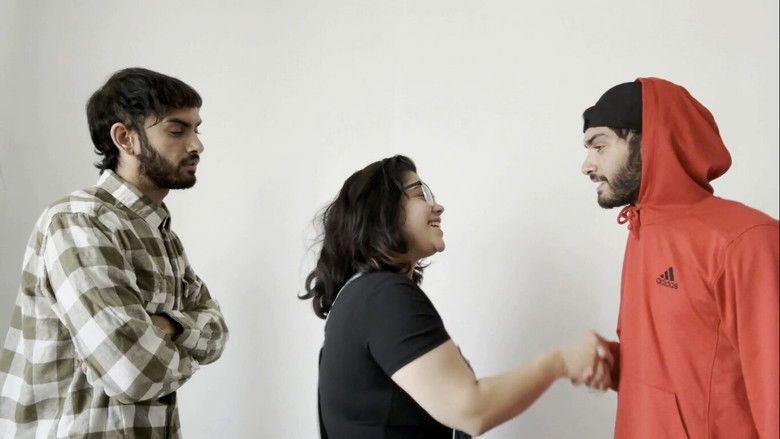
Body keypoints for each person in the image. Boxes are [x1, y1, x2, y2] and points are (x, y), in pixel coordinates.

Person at [301, 155, 612, 438]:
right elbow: (472, 410)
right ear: (382, 212)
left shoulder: (360, 298)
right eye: (420, 194)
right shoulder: (382, 296)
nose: (438, 207)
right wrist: (559, 363)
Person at [0, 68, 228, 438]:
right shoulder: (80, 221)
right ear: (125, 138)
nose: (196, 145)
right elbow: (132, 372)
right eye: (177, 130)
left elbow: (217, 331)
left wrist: (167, 327)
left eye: (196, 129)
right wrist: (182, 342)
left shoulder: (163, 236)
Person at [580, 78, 778, 438]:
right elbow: (684, 370)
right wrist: (610, 360)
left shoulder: (745, 240)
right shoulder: (642, 229)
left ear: (650, 140)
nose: (587, 165)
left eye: (600, 146)